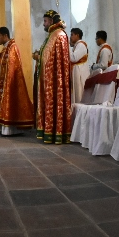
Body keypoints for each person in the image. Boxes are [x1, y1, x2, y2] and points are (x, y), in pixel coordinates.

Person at [0, 27, 34, 135]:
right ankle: (6, 130)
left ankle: (10, 130)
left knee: (10, 104)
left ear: (5, 36)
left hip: (11, 83)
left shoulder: (12, 47)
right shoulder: (7, 47)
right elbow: (2, 63)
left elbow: (7, 64)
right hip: (6, 82)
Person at [32, 10, 72, 144]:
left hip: (56, 80)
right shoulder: (52, 35)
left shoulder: (59, 35)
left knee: (56, 102)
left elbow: (52, 60)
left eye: (45, 21)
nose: (43, 24)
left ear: (51, 21)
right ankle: (48, 131)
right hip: (49, 79)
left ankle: (57, 132)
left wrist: (38, 57)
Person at [69, 27, 90, 104]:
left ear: (77, 35)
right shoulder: (77, 45)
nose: (70, 37)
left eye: (72, 35)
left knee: (79, 94)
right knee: (76, 94)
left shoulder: (81, 44)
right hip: (77, 71)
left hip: (80, 72)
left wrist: (67, 47)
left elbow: (74, 58)